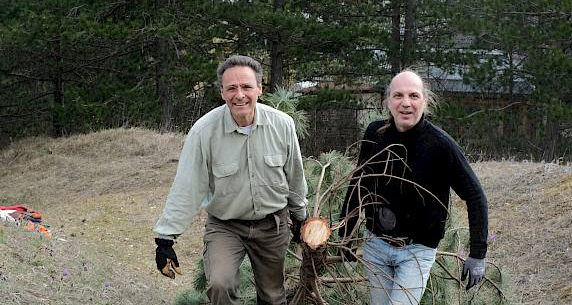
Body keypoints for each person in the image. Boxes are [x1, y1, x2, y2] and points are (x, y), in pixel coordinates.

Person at [153, 55, 309, 305]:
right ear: (222, 92)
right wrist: (165, 238)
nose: (240, 95)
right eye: (232, 88)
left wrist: (301, 217)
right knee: (219, 285)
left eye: (247, 87)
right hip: (226, 226)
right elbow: (188, 186)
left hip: (272, 225)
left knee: (272, 296)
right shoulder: (204, 131)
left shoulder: (283, 125)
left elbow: (295, 177)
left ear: (259, 88)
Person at [338, 69, 489, 305]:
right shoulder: (375, 134)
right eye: (398, 95)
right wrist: (345, 235)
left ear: (425, 102)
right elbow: (359, 183)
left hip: (416, 252)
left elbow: (475, 196)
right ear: (388, 101)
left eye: (413, 96)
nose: (405, 103)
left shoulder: (441, 145)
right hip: (375, 246)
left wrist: (478, 254)